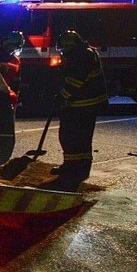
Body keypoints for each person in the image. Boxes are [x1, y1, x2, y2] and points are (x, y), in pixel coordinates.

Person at [43, 30, 107, 191]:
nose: (64, 52)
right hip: (79, 103)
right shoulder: (82, 53)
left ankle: (76, 172)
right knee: (71, 138)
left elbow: (74, 80)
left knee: (76, 139)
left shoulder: (82, 56)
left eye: (65, 49)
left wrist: (62, 96)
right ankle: (71, 166)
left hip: (84, 105)